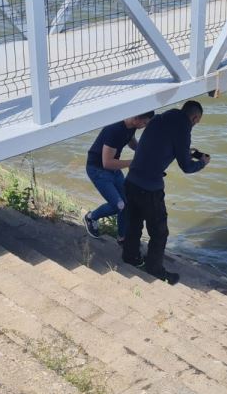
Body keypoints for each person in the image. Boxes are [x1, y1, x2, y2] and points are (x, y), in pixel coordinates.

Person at [122, 100, 210, 285]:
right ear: (194, 117)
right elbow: (186, 167)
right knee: (159, 232)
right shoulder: (183, 129)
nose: (195, 124)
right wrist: (202, 162)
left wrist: (185, 151)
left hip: (131, 181)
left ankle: (130, 258)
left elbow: (160, 144)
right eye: (197, 121)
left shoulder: (160, 118)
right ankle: (154, 270)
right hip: (150, 188)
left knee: (134, 223)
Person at [83, 112, 155, 244]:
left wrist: (143, 152)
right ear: (136, 117)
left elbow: (131, 140)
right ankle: (90, 217)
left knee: (127, 202)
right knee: (119, 205)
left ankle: (122, 237)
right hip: (97, 169)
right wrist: (134, 163)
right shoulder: (114, 130)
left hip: (113, 169)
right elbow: (107, 163)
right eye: (145, 123)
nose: (145, 126)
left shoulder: (132, 126)